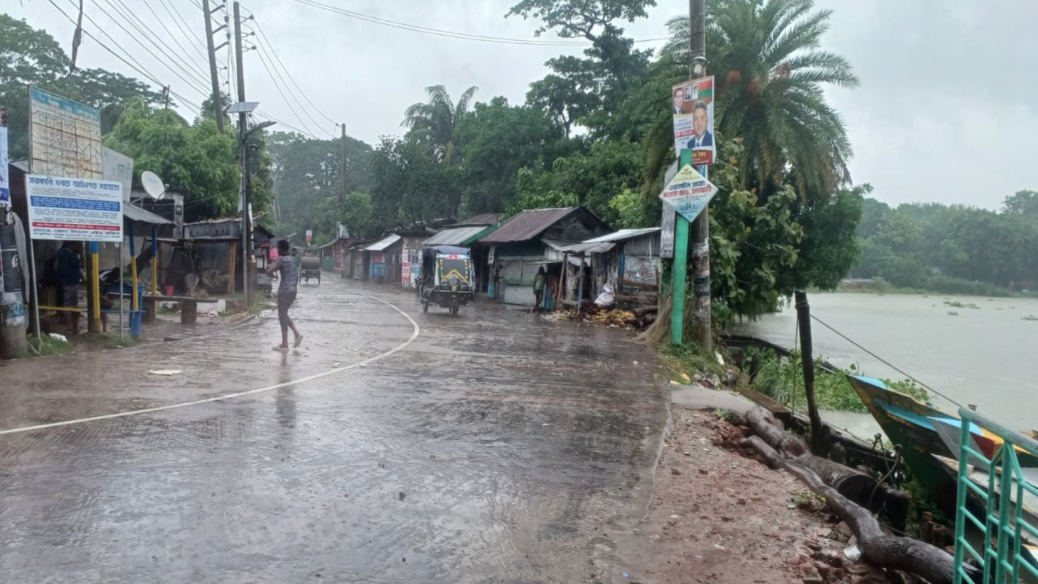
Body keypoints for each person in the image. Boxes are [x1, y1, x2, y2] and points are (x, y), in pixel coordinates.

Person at [267, 239, 302, 352]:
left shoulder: (281, 260)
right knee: (284, 314)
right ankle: (295, 334)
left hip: (284, 291)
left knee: (282, 316)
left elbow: (269, 272)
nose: (277, 251)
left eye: (278, 249)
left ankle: (285, 344)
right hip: (293, 291)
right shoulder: (293, 259)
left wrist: (274, 276)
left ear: (281, 249)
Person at [55, 242, 83, 327]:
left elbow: (56, 267)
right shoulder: (70, 254)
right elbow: (81, 265)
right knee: (71, 303)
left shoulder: (61, 252)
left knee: (68, 301)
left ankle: (69, 322)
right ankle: (69, 323)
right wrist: (82, 254)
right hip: (71, 281)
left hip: (65, 280)